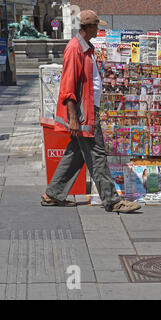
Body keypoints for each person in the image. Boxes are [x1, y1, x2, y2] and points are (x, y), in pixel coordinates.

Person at [41, 10, 141, 213]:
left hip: (87, 111)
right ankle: (112, 200)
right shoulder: (75, 49)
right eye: (96, 26)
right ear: (87, 28)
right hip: (83, 115)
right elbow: (68, 86)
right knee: (97, 154)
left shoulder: (85, 48)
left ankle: (52, 194)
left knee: (76, 153)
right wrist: (73, 118)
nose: (98, 29)